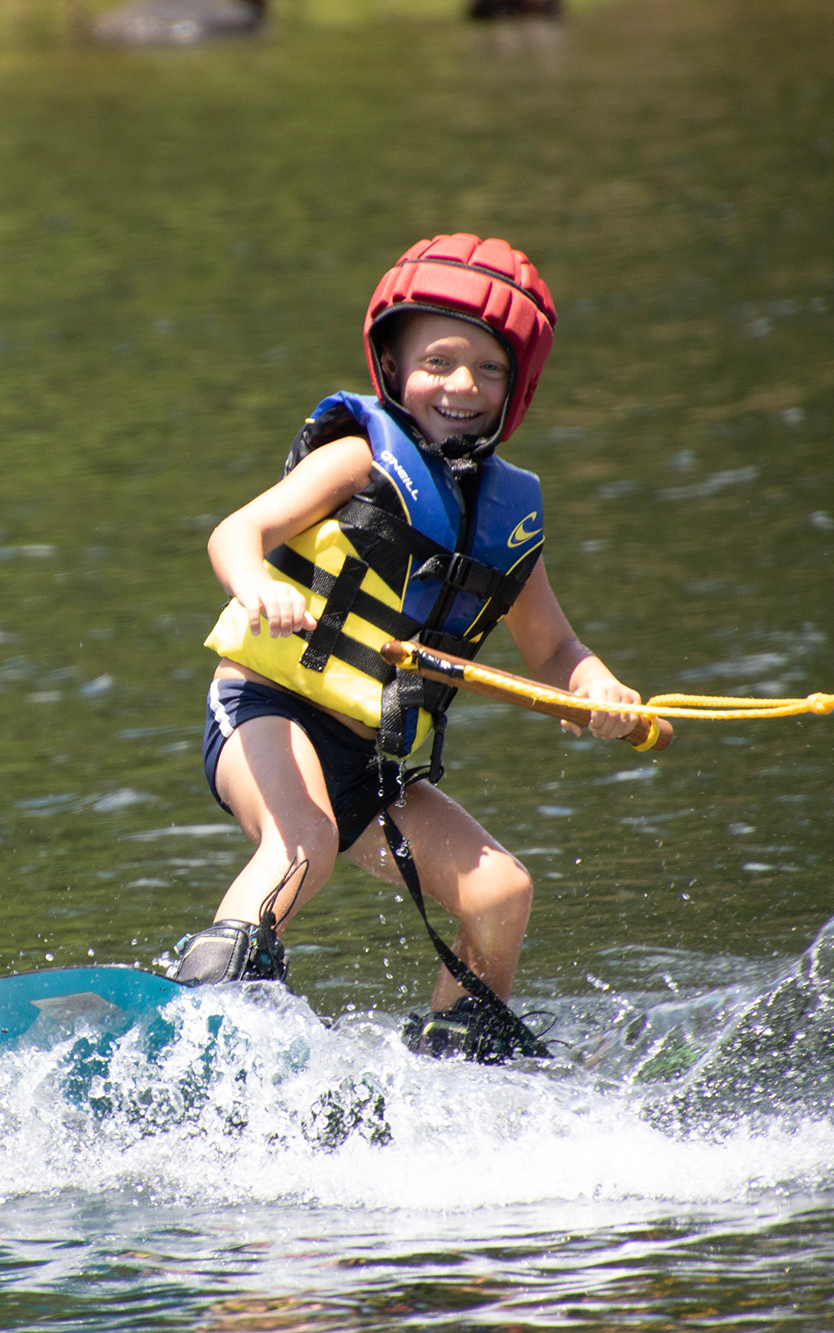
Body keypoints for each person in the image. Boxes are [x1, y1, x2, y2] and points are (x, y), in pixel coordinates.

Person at [169, 234, 642, 1063]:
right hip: (266, 709)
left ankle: (456, 1056)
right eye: (439, 362)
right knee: (302, 842)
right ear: (392, 367)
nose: (462, 386)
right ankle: (205, 1014)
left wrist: (601, 690)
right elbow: (237, 532)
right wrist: (258, 588)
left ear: (514, 388)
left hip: (376, 761)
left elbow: (555, 646)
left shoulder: (505, 521)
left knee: (501, 891)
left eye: (488, 369)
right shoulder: (356, 458)